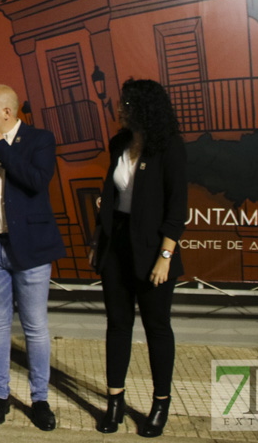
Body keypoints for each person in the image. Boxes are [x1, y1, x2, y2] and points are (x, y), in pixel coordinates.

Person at [0, 85, 64, 429]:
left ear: (6, 112)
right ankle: (0, 396)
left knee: (34, 328)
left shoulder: (40, 140)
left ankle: (40, 400)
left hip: (31, 248)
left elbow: (36, 181)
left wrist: (1, 149)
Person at [92, 79, 187, 438]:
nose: (119, 110)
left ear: (143, 108)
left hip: (152, 251)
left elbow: (177, 208)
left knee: (157, 328)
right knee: (117, 325)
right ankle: (114, 403)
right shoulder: (119, 142)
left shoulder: (169, 147)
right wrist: (99, 236)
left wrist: (165, 256)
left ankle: (160, 403)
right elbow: (111, 192)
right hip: (116, 246)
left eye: (126, 104)